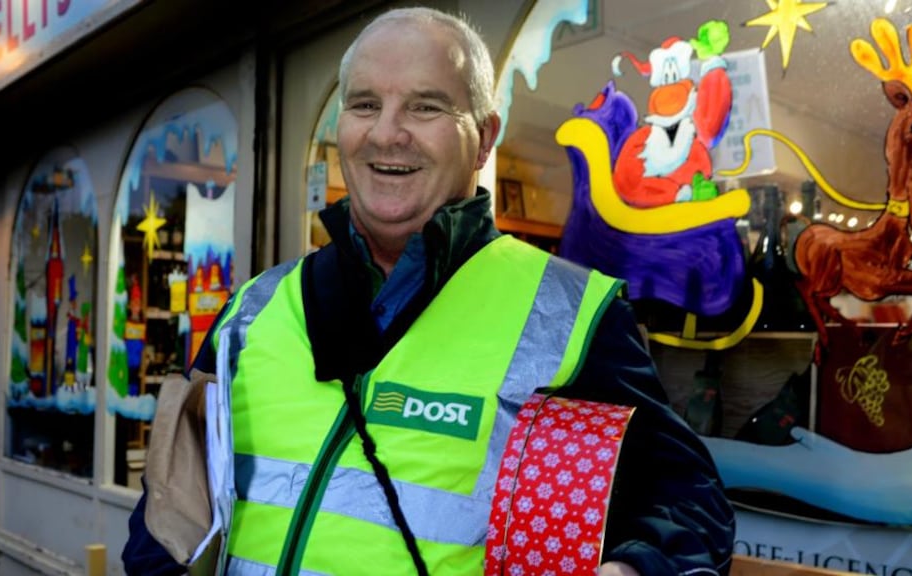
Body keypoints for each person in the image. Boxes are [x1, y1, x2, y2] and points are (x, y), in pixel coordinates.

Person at [123, 7, 735, 575]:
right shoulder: (254, 308)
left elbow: (686, 500)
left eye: (425, 107)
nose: (388, 133)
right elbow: (173, 502)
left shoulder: (572, 312)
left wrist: (633, 567)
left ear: (485, 136)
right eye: (364, 105)